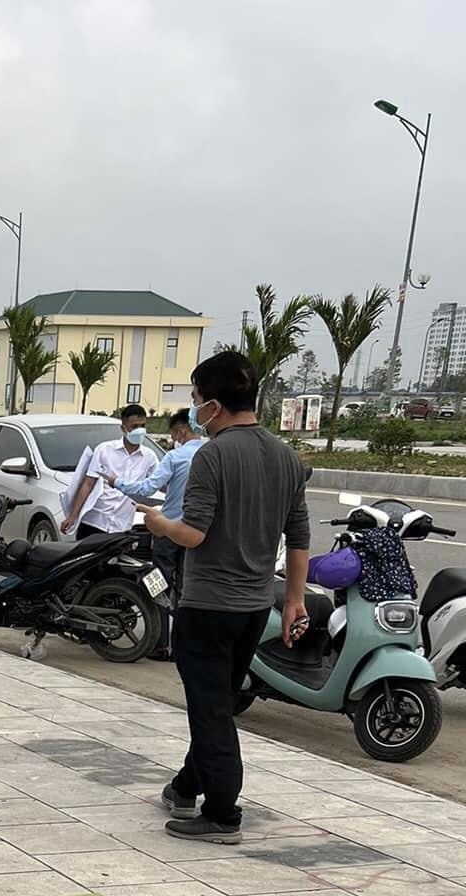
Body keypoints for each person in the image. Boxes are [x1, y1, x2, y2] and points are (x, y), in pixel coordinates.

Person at [137, 352, 310, 843]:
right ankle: (186, 785)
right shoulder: (286, 456)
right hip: (255, 607)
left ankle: (222, 813)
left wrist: (158, 523)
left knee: (211, 710)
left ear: (213, 405)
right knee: (216, 702)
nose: (193, 411)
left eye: (195, 401)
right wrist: (294, 600)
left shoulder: (212, 455)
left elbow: (192, 533)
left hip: (208, 605)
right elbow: (298, 537)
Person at [104, 408, 204, 659]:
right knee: (185, 589)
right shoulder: (210, 453)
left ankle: (160, 644)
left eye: (174, 435)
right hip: (196, 531)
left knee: (159, 583)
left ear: (180, 432)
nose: (174, 439)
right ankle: (183, 645)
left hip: (167, 530)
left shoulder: (175, 457)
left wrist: (117, 482)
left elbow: (148, 487)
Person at [61, 403, 157, 539]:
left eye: (142, 426)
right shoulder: (104, 450)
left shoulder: (149, 457)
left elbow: (158, 484)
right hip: (95, 521)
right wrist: (72, 515)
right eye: (134, 427)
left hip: (122, 526)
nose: (140, 431)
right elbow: (88, 483)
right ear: (123, 429)